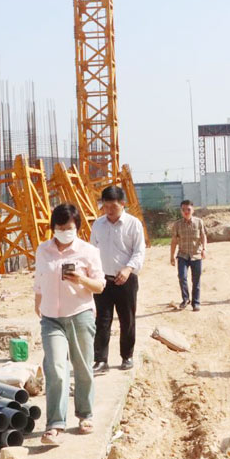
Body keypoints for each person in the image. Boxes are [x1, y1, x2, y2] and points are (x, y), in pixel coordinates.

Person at [33, 203, 105, 445]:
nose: (64, 231)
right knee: (55, 368)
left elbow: (100, 285)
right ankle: (55, 423)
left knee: (83, 367)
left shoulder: (87, 251)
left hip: (80, 314)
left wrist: (81, 279)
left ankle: (85, 415)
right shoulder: (43, 250)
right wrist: (38, 301)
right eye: (60, 227)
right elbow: (39, 279)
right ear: (53, 228)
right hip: (51, 318)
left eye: (69, 228)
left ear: (77, 228)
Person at [91, 186, 146, 371]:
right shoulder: (98, 225)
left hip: (126, 280)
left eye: (113, 207)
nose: (109, 211)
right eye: (105, 206)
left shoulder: (133, 224)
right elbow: (92, 251)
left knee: (127, 319)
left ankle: (127, 356)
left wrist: (128, 269)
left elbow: (139, 252)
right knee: (102, 320)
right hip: (103, 280)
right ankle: (101, 360)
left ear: (123, 204)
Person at [170, 199, 207, 312]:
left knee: (196, 280)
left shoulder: (199, 222)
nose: (186, 212)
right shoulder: (177, 225)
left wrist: (204, 249)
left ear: (193, 210)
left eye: (188, 209)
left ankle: (196, 303)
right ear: (181, 211)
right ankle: (185, 299)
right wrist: (171, 256)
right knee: (182, 277)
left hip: (196, 255)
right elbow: (174, 241)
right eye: (183, 210)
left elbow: (203, 236)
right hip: (182, 256)